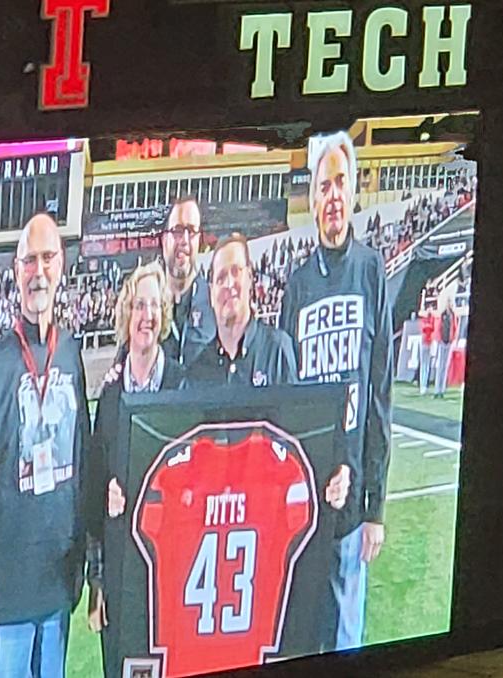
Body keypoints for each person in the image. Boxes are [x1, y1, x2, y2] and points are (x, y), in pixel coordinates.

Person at [0, 213, 92, 678]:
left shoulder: (71, 354)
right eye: (28, 260)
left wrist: (87, 567)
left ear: (62, 264)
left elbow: (85, 467)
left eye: (47, 257)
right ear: (16, 271)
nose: (39, 270)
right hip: (5, 599)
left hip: (57, 592)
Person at [279, 131, 393, 651]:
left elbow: (379, 394)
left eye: (340, 183)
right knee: (303, 636)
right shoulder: (297, 283)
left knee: (347, 641)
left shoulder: (371, 270)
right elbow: (286, 396)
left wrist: (376, 507)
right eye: (323, 185)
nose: (332, 196)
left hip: (351, 509)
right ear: (312, 198)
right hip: (306, 495)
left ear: (352, 192)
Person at [84, 262, 184, 678]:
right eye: (139, 305)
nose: (147, 315)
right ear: (128, 314)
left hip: (170, 571)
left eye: (155, 306)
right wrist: (98, 584)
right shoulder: (110, 396)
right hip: (122, 571)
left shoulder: (180, 386)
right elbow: (92, 494)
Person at [186, 234, 298, 388]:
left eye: (236, 271)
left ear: (250, 278)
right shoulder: (197, 371)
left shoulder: (277, 349)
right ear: (211, 294)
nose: (229, 284)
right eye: (221, 277)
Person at [159, 196, 216, 367]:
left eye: (191, 231)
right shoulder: (145, 305)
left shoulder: (215, 303)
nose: (184, 240)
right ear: (164, 240)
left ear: (199, 241)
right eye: (177, 231)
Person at [434, 295, 457, 399]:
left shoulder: (453, 315)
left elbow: (455, 328)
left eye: (451, 303)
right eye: (448, 303)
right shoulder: (442, 315)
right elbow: (438, 327)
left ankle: (442, 390)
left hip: (449, 341)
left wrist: (453, 339)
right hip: (442, 341)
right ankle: (437, 389)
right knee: (440, 366)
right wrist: (438, 339)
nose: (449, 305)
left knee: (445, 366)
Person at [418, 297, 436, 395]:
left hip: (430, 342)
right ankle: (422, 386)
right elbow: (424, 327)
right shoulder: (425, 318)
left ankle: (425, 385)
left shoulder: (432, 318)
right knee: (423, 365)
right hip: (424, 342)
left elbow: (433, 328)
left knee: (427, 365)